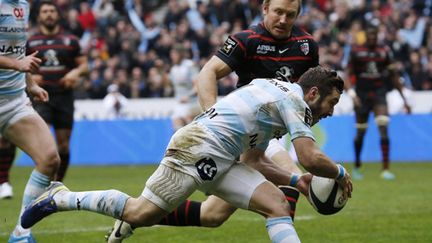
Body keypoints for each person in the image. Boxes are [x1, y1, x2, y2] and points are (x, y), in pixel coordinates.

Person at [21, 66, 353, 243]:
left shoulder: (274, 92)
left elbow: (258, 161)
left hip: (221, 156)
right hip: (197, 148)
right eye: (330, 103)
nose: (330, 111)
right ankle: (61, 196)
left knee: (276, 204)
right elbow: (309, 156)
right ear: (312, 93)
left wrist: (299, 181)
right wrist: (338, 173)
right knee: (140, 213)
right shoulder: (293, 103)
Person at [105, 0, 320, 236]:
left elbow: (311, 91)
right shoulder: (245, 40)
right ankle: (285, 224)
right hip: (247, 131)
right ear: (265, 8)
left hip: (274, 131)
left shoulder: (306, 46)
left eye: (290, 15)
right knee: (290, 170)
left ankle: (132, 219)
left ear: (298, 15)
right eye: (278, 12)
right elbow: (208, 71)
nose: (283, 20)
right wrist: (214, 118)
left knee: (212, 215)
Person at [0, 1, 61, 242]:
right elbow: (17, 59)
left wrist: (31, 84)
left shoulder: (23, 5)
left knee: (49, 159)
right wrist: (17, 64)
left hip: (14, 100)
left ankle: (21, 233)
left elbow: (17, 50)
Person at [345, 25, 411, 180]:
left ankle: (386, 169)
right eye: (370, 36)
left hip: (379, 94)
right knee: (361, 133)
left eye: (375, 36)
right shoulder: (356, 52)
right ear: (366, 36)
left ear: (378, 36)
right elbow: (347, 75)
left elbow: (394, 76)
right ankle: (357, 166)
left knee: (383, 129)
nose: (373, 38)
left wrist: (404, 99)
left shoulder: (384, 51)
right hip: (361, 95)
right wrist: (352, 95)